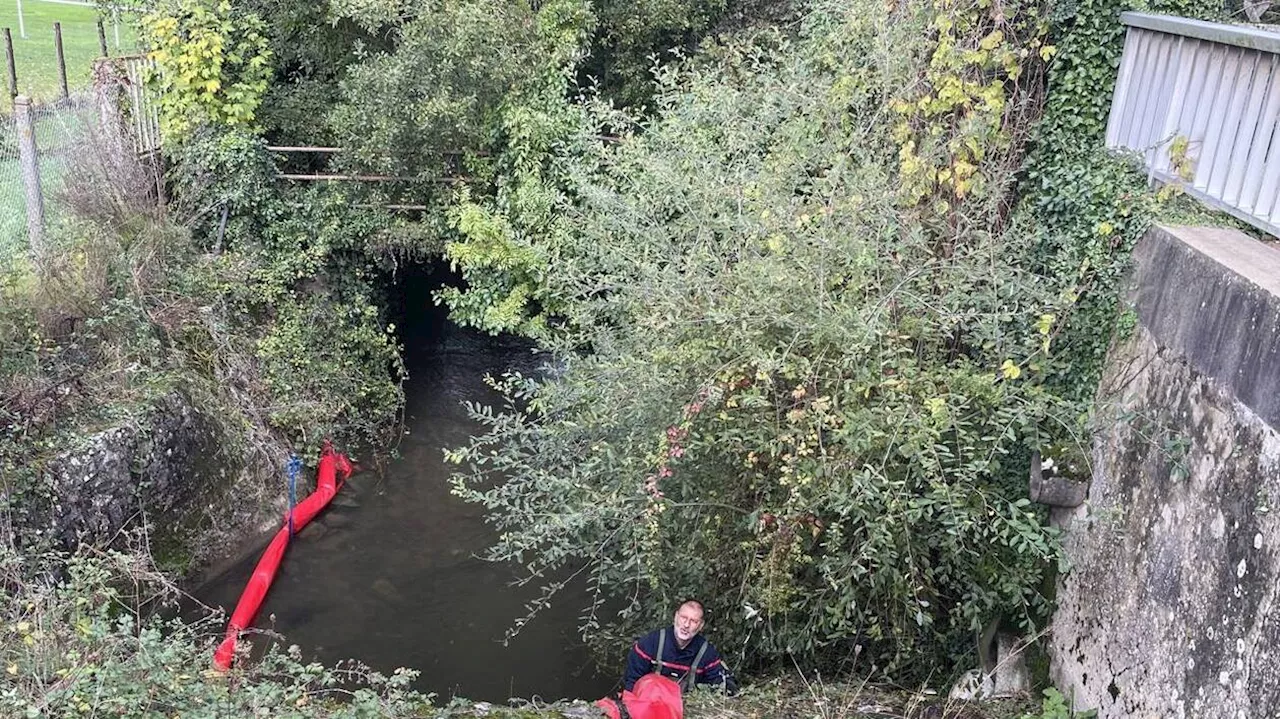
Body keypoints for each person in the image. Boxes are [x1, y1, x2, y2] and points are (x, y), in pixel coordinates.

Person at [623, 599, 737, 694]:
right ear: (676, 617)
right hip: (650, 705)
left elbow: (725, 684)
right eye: (683, 618)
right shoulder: (650, 643)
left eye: (693, 621)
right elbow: (631, 682)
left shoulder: (706, 652)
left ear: (701, 625)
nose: (686, 625)